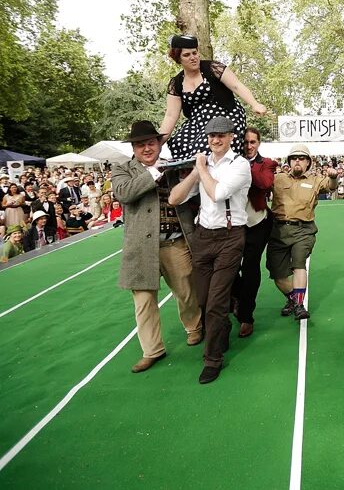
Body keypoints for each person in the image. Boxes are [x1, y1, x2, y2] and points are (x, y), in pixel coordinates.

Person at [112, 121, 203, 374]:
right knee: (143, 302)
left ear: (158, 144)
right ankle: (152, 350)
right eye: (140, 144)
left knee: (186, 291)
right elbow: (125, 193)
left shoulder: (174, 167)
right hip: (140, 247)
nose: (146, 148)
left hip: (175, 241)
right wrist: (154, 173)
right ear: (133, 147)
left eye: (151, 143)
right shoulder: (122, 170)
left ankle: (195, 328)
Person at [169, 117, 251, 384]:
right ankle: (224, 325)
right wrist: (195, 171)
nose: (215, 140)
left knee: (215, 302)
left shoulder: (240, 165)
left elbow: (217, 193)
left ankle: (212, 359)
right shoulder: (203, 166)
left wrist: (201, 168)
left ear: (230, 137)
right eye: (211, 136)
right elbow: (174, 198)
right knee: (203, 300)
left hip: (231, 236)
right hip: (203, 236)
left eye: (220, 135)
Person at [159, 34, 267, 159]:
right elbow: (171, 115)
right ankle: (189, 176)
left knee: (207, 144)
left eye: (194, 53)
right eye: (187, 55)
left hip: (226, 115)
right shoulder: (176, 83)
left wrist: (254, 104)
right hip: (198, 123)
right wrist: (157, 143)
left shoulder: (213, 68)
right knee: (178, 142)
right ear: (178, 58)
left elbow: (237, 85)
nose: (193, 58)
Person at [267, 144, 338, 321]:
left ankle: (299, 305)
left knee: (299, 265)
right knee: (278, 275)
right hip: (278, 231)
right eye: (294, 158)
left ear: (308, 162)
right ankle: (292, 299)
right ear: (289, 162)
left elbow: (331, 186)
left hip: (303, 230)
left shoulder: (315, 180)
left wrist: (333, 177)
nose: (297, 161)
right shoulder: (278, 179)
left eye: (302, 158)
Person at [230, 128, 277, 338]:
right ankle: (238, 298)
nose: (249, 146)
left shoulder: (266, 163)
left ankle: (246, 317)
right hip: (233, 224)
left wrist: (244, 167)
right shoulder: (229, 162)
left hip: (257, 223)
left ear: (258, 143)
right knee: (228, 268)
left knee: (250, 268)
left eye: (253, 142)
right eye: (246, 142)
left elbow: (265, 183)